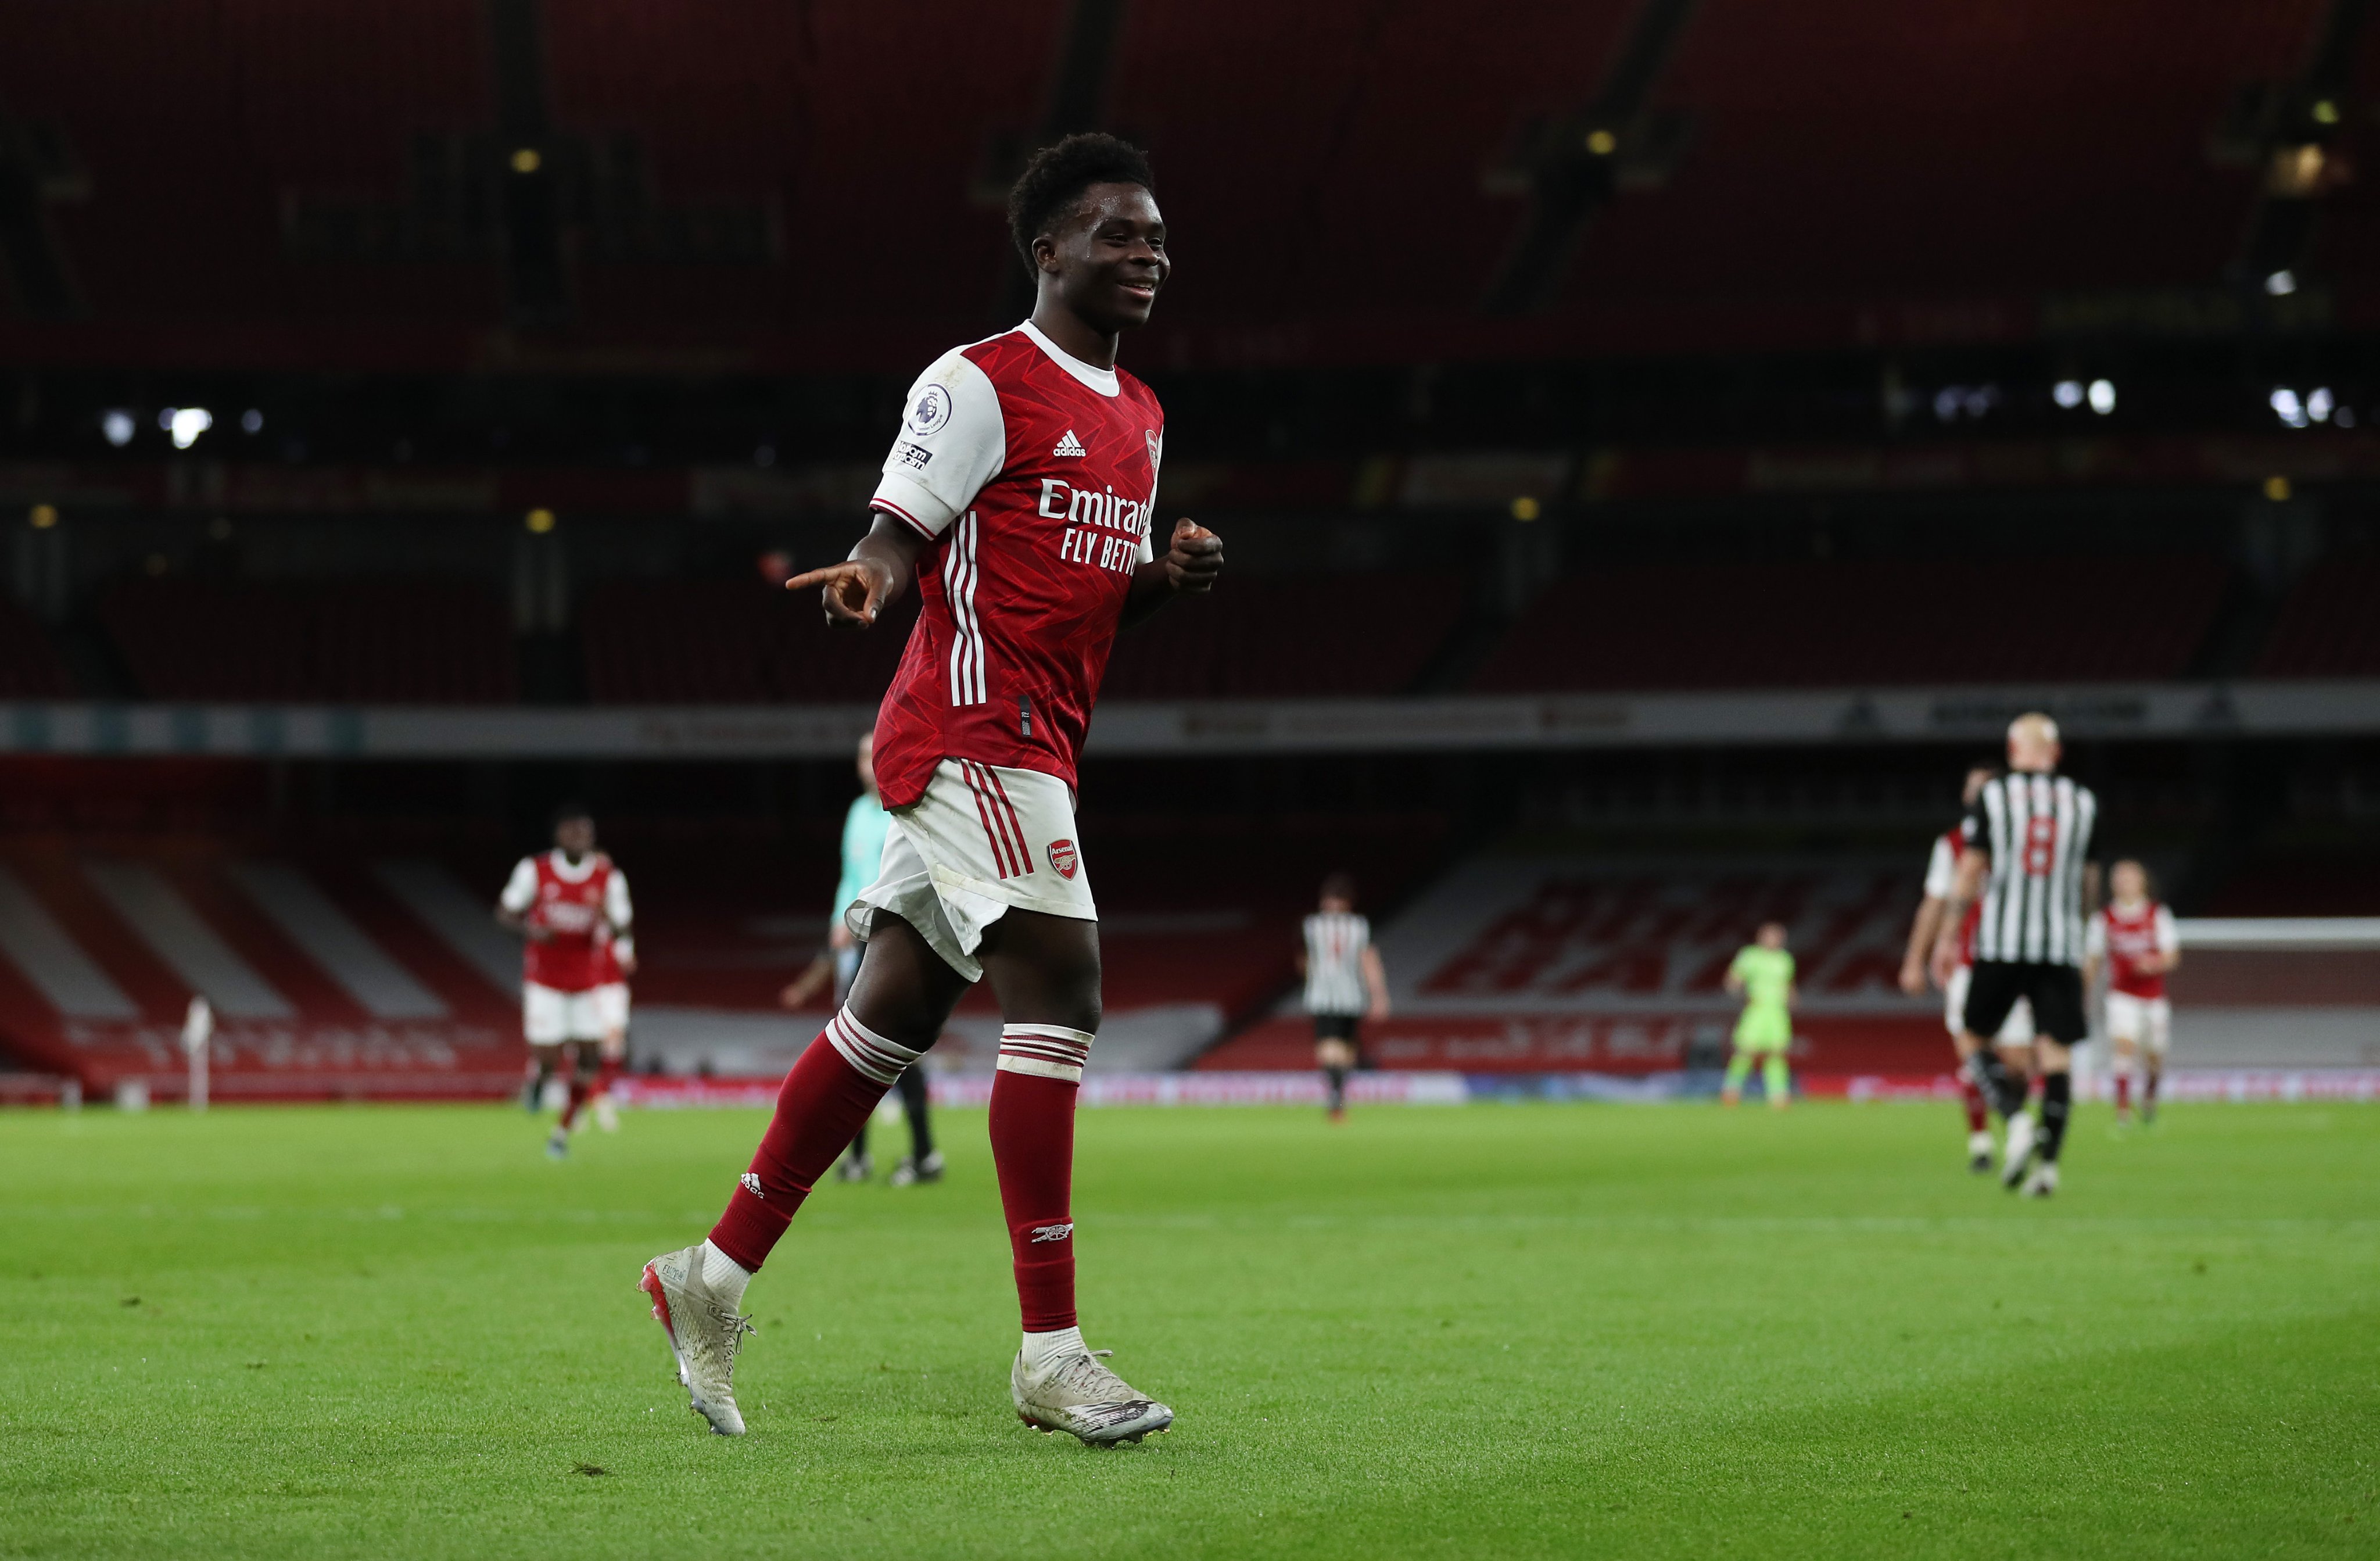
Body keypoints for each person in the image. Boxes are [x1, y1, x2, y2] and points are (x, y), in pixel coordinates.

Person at [638, 133, 1223, 1445]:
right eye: (1119, 234)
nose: (1147, 255)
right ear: (1049, 249)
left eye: (1158, 237)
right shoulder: (977, 381)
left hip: (1040, 736)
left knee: (886, 1019)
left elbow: (1079, 590)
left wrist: (1159, 582)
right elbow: (900, 532)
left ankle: (708, 1275)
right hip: (972, 731)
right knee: (1062, 985)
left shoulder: (1140, 415)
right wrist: (865, 575)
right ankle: (1051, 1351)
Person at [1931, 714, 2100, 1197]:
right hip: (2060, 943)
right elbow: (2090, 883)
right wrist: (2080, 934)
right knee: (2056, 1054)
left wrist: (1947, 936)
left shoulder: (1994, 797)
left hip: (2003, 942)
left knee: (1971, 1037)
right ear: (2057, 754)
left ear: (2012, 750)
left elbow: (1970, 872)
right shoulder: (2083, 802)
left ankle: (2014, 1120)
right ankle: (2048, 1171)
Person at [780, 735, 942, 1186]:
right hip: (854, 943)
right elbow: (850, 878)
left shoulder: (909, 807)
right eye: (862, 757)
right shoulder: (856, 814)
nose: (869, 764)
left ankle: (925, 1155)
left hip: (895, 941)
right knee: (853, 1051)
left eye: (875, 755)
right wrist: (839, 921)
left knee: (898, 1050)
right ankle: (859, 1158)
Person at [1902, 764, 2039, 1172]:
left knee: (2016, 1064)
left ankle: (2015, 1123)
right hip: (1967, 963)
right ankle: (1983, 1141)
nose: (1979, 795)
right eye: (1973, 789)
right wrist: (1915, 958)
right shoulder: (1951, 844)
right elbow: (1935, 902)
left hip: (2017, 961)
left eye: (1987, 789)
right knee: (1972, 1052)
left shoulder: (2028, 838)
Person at [496, 804, 634, 1159]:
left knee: (591, 1058)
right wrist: (530, 930)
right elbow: (505, 912)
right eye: (571, 831)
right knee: (549, 1058)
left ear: (592, 837)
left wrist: (609, 919)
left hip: (586, 985)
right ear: (558, 836)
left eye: (585, 832)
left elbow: (622, 925)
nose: (579, 838)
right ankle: (539, 1083)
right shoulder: (535, 870)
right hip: (544, 983)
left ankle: (561, 1133)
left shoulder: (609, 878)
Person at [2085, 859, 2179, 1126]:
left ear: (2142, 882)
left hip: (2153, 998)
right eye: (2119, 878)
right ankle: (2123, 1111)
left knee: (2155, 1054)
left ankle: (2149, 1098)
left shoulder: (2157, 914)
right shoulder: (2104, 919)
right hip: (2121, 995)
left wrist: (2154, 963)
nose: (2124, 883)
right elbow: (2093, 959)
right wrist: (2085, 989)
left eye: (2129, 877)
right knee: (2124, 1046)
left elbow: (2172, 956)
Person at [1297, 873, 1389, 1121]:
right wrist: (1379, 995)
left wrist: (1311, 978)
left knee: (1331, 1047)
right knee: (1343, 1047)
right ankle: (1338, 1096)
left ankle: (1336, 1096)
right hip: (1351, 994)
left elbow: (1304, 961)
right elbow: (1369, 961)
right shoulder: (1359, 927)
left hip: (1325, 994)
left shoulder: (1311, 926)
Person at [1722, 922, 1795, 1108]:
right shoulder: (1749, 956)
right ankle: (1731, 1091)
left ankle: (1778, 1095)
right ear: (1761, 937)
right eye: (1770, 935)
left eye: (1777, 936)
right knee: (1746, 1051)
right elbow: (1733, 980)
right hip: (1757, 1009)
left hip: (1778, 1012)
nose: (1774, 940)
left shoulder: (1785, 959)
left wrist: (1793, 1000)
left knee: (1777, 1053)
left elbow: (1789, 985)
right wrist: (1740, 995)